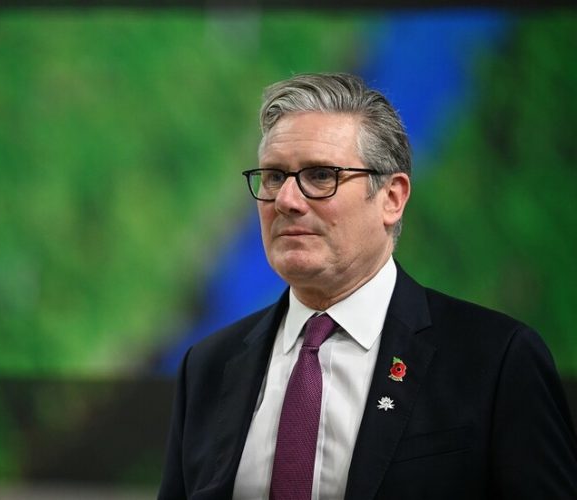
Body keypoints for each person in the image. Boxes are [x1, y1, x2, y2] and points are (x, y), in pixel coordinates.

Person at [158, 72, 577, 499]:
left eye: (321, 175)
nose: (286, 199)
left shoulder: (497, 360)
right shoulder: (208, 367)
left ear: (392, 198)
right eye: (273, 177)